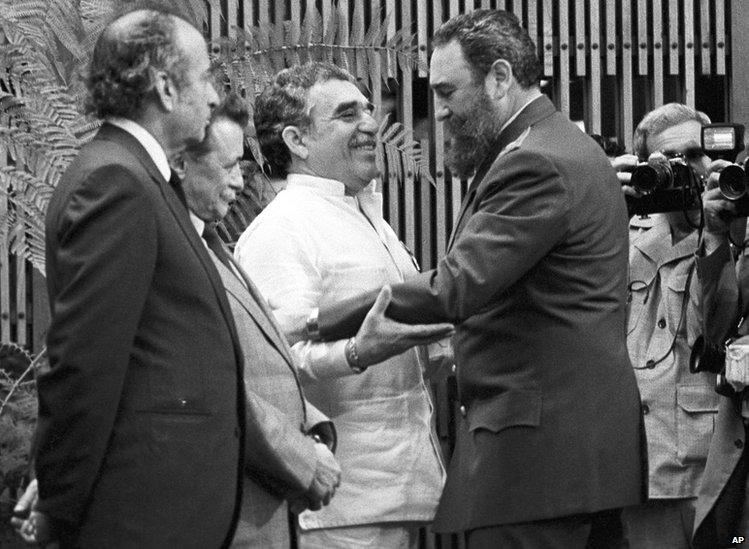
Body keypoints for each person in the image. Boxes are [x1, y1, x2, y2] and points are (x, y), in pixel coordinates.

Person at [307, 9, 646, 548]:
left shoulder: (534, 161)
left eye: (447, 91)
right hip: (573, 457)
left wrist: (317, 320)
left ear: (500, 78)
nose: (438, 112)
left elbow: (456, 286)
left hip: (537, 461)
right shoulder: (559, 147)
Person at [11, 9, 247, 548]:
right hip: (140, 519)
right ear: (165, 86)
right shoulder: (117, 181)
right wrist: (58, 504)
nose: (214, 98)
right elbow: (82, 362)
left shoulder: (139, 177)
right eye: (206, 76)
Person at [234, 61, 453, 548]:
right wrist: (355, 353)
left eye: (369, 111)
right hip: (335, 508)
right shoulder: (281, 230)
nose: (372, 124)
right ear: (297, 140)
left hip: (397, 494)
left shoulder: (370, 217)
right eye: (348, 114)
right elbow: (273, 366)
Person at [178, 93, 341, 548]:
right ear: (181, 164)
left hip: (263, 508)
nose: (239, 181)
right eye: (229, 165)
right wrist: (303, 458)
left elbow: (261, 358)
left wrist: (314, 427)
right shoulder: (178, 255)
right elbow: (209, 382)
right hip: (230, 513)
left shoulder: (214, 246)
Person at [613, 103, 730, 548]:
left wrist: (720, 229)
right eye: (669, 162)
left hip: (717, 464)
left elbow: (718, 323)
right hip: (648, 467)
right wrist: (607, 208)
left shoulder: (736, 228)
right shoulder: (621, 238)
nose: (688, 170)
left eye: (695, 155)